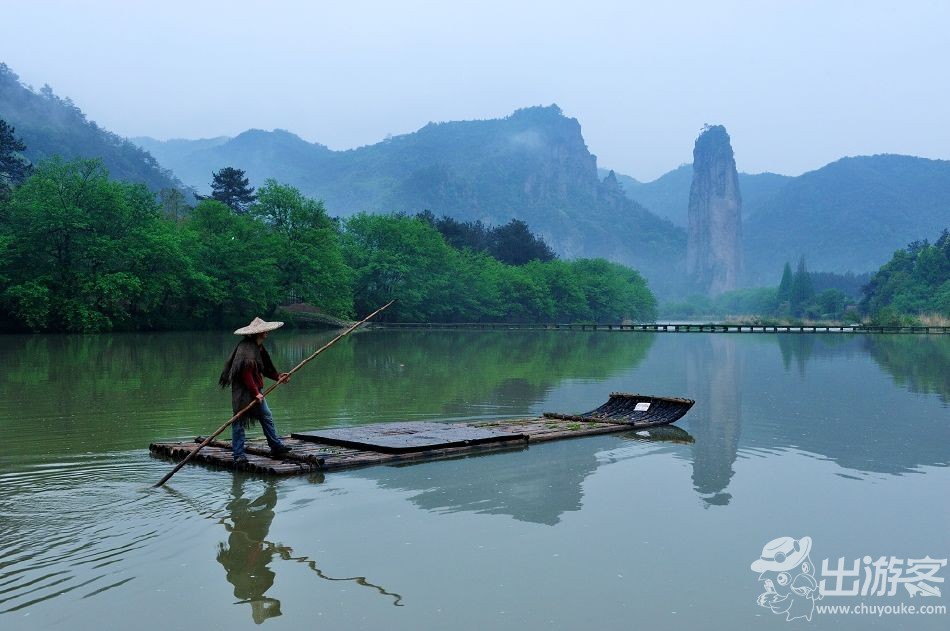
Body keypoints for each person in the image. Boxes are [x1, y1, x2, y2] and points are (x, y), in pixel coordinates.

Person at [219, 317, 292, 464]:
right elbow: (246, 374)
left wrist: (278, 376)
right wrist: (255, 393)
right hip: (243, 392)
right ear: (258, 333)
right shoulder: (246, 348)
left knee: (266, 416)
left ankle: (276, 446)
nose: (267, 333)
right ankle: (238, 455)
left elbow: (265, 368)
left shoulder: (259, 347)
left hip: (255, 389)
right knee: (239, 422)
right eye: (265, 331)